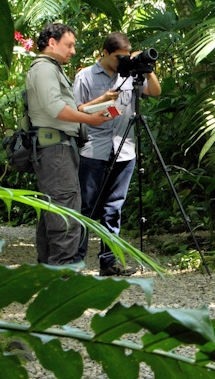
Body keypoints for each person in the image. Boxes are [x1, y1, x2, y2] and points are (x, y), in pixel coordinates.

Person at [73, 32, 161, 276]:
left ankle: (109, 263)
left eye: (125, 56)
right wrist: (102, 99)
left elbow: (155, 91)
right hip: (94, 150)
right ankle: (75, 262)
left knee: (114, 208)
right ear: (104, 52)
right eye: (117, 57)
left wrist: (145, 68)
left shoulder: (131, 74)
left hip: (125, 149)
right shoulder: (86, 76)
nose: (121, 61)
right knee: (88, 208)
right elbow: (75, 109)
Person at [26, 22, 112, 266]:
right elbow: (55, 109)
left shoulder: (51, 68)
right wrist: (90, 119)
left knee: (53, 212)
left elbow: (63, 107)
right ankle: (62, 281)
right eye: (69, 45)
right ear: (52, 43)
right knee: (65, 215)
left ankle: (47, 276)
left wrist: (97, 105)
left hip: (59, 149)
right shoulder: (44, 69)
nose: (73, 51)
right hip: (55, 151)